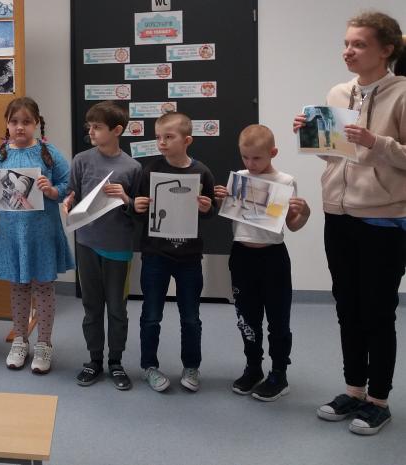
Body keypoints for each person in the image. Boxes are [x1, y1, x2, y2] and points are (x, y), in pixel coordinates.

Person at [293, 11, 406, 435]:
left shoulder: (402, 94)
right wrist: (310, 135)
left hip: (383, 219)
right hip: (337, 214)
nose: (348, 51)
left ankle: (378, 401)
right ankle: (354, 391)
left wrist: (378, 142)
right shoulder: (339, 93)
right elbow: (337, 155)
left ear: (386, 50)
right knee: (347, 307)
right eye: (346, 43)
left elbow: (390, 154)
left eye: (359, 44)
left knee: (377, 311)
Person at [213, 124, 310, 402]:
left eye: (256, 158)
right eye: (245, 157)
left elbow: (292, 225)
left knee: (278, 319)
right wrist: (221, 201)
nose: (250, 163)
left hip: (273, 257)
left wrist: (304, 212)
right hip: (242, 256)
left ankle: (279, 373)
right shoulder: (240, 178)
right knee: (247, 317)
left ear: (273, 153)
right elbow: (230, 215)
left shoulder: (285, 181)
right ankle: (253, 367)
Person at [0, 97, 73, 375]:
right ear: (7, 124)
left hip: (42, 233)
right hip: (11, 235)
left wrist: (52, 190)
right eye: (14, 122)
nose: (20, 127)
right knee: (18, 287)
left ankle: (44, 343)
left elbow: (67, 186)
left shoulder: (49, 153)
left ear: (37, 123)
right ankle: (20, 340)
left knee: (43, 287)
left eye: (27, 122)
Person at [132, 112, 215, 393]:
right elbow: (139, 211)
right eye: (158, 137)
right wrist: (137, 207)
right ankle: (149, 366)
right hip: (155, 255)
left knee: (190, 317)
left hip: (189, 257)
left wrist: (207, 208)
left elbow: (210, 211)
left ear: (187, 140)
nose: (162, 143)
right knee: (151, 314)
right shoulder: (149, 171)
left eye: (169, 137)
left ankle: (191, 366)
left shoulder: (201, 172)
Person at [64, 102, 141, 389]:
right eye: (90, 127)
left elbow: (139, 211)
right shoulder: (81, 160)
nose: (91, 132)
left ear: (117, 130)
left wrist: (126, 199)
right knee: (91, 307)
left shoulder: (133, 167)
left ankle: (116, 362)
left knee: (117, 309)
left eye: (97, 127)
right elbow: (72, 194)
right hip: (87, 244)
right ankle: (94, 360)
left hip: (118, 248)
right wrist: (67, 204)